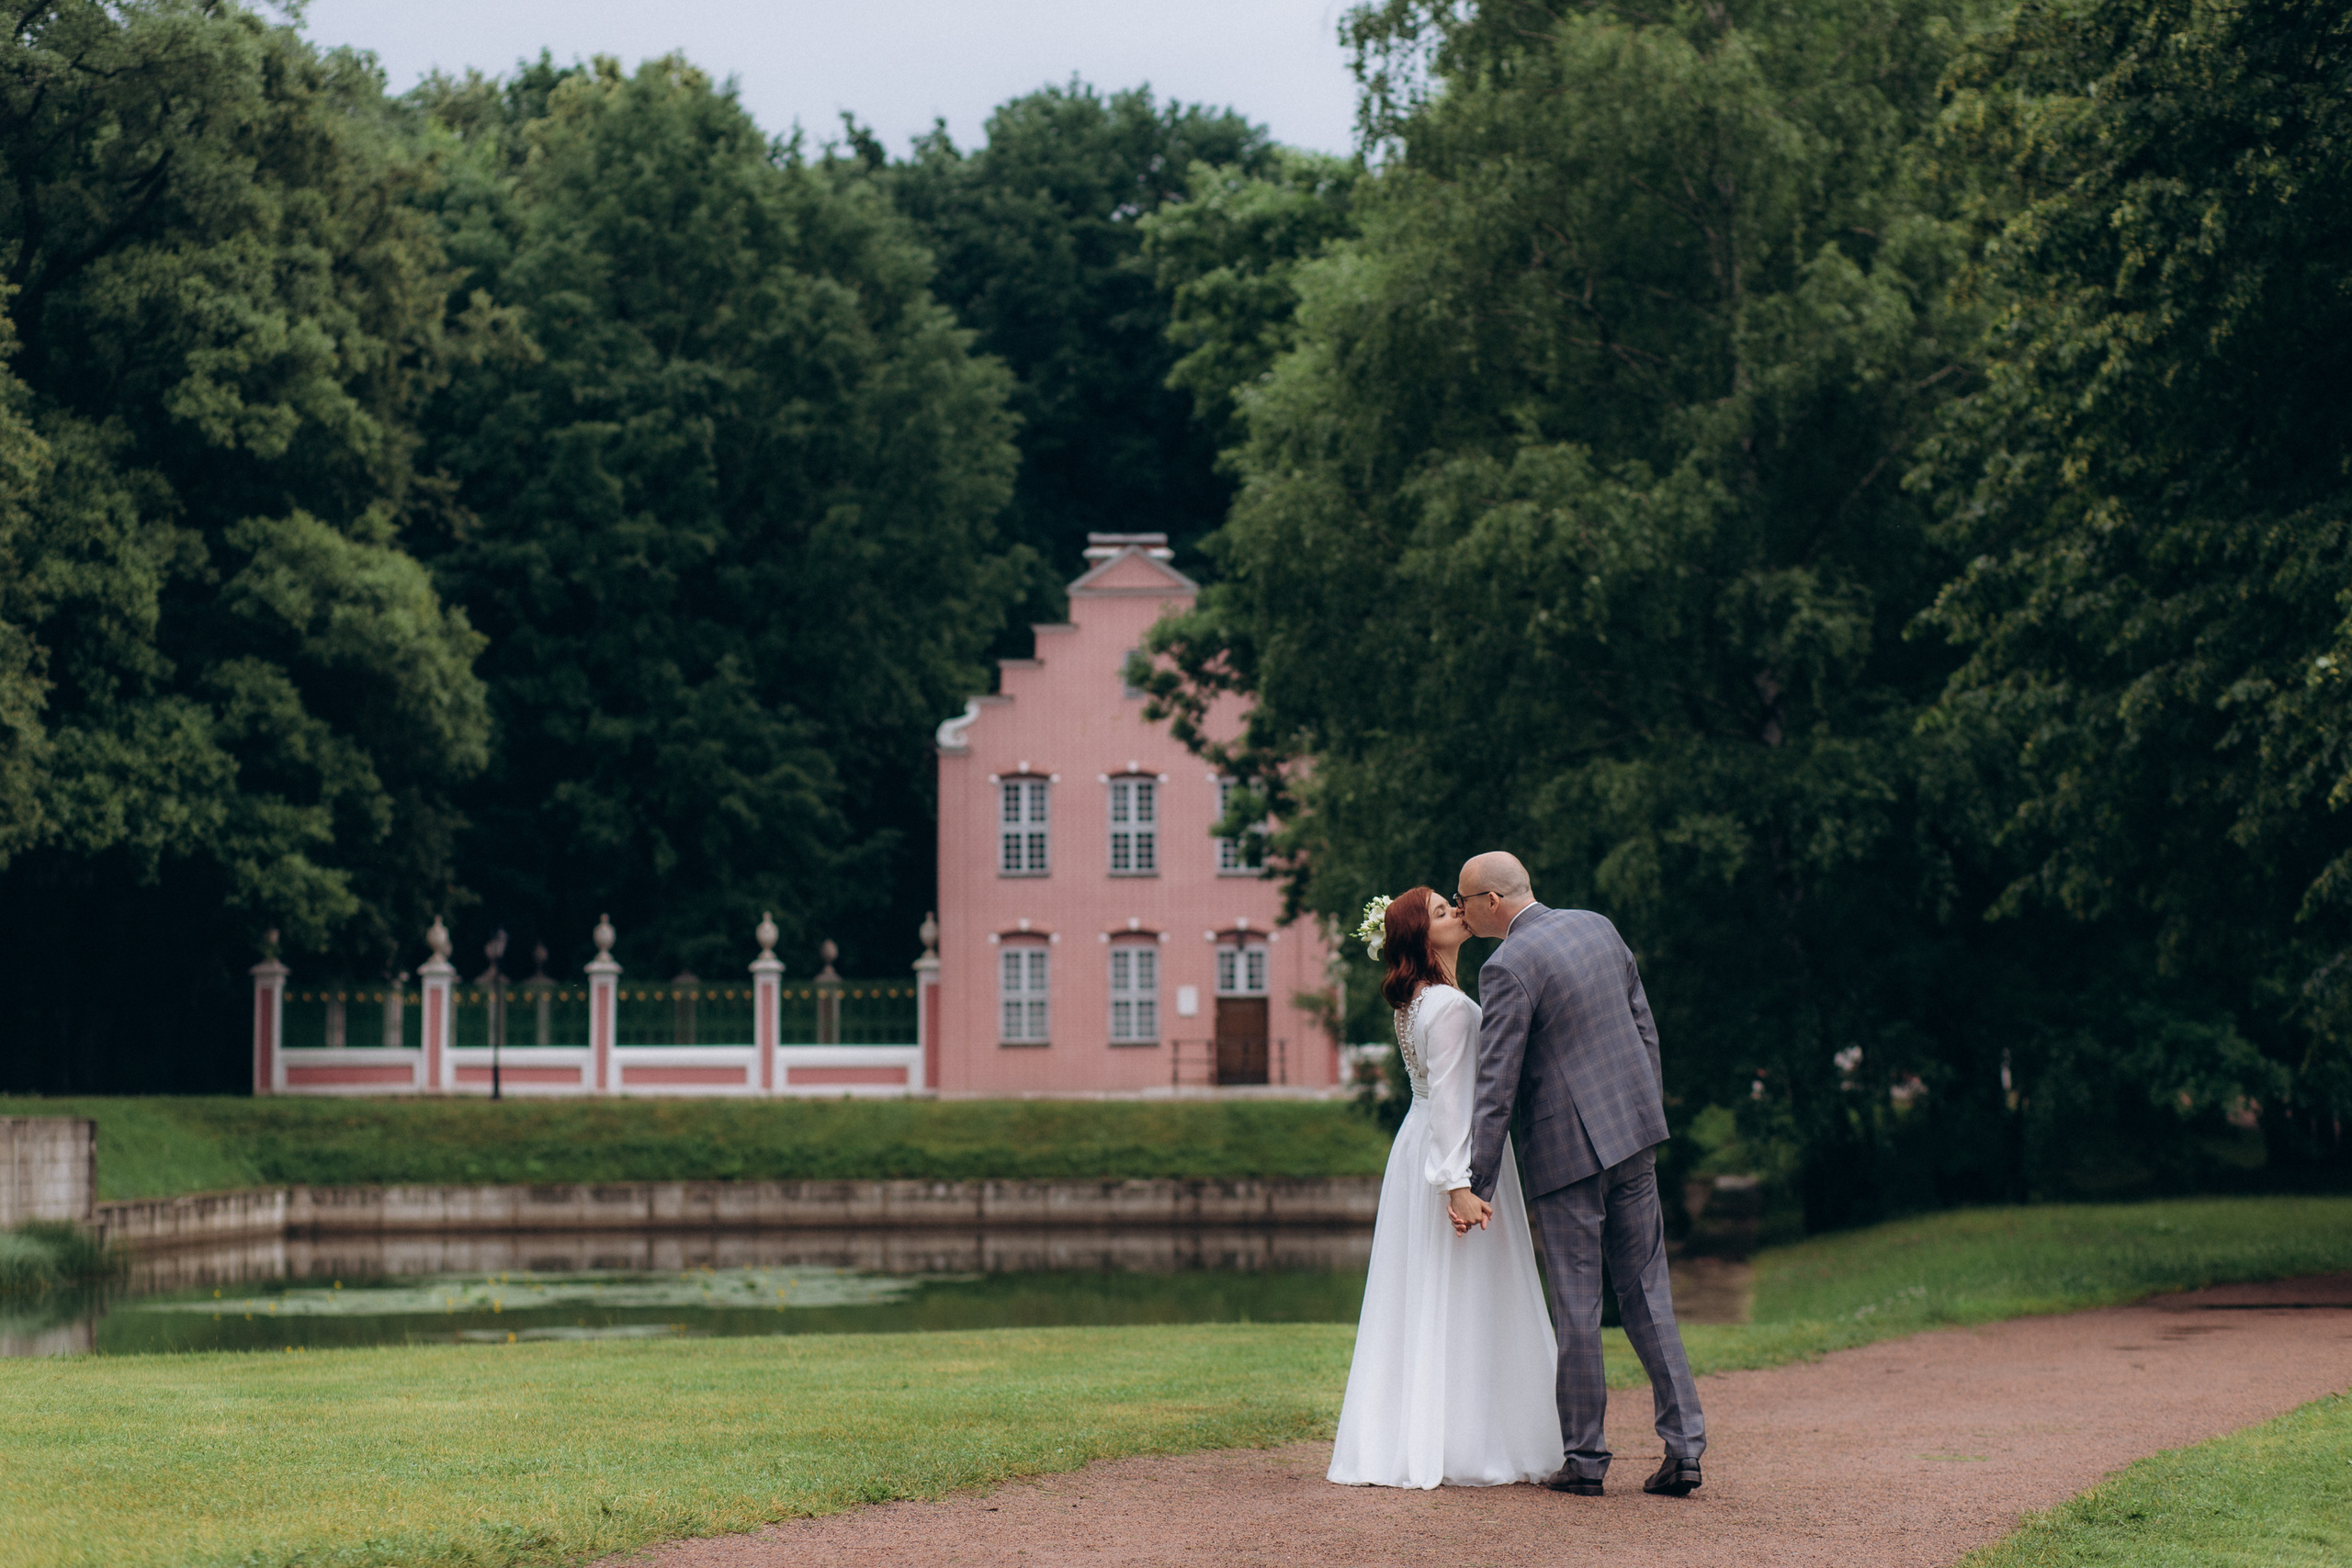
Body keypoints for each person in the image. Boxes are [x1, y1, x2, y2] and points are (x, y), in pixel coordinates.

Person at [1454, 850, 1706, 1497]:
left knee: (1578, 1300)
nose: (1460, 911)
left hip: (1565, 1153)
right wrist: (1644, 1107)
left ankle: (1587, 1459)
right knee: (1650, 1289)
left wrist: (1476, 1179)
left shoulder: (1506, 963)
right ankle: (1685, 1448)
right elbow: (1642, 1024)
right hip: (1634, 1133)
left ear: (1491, 902)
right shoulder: (1598, 925)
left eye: (1465, 900)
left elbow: (1497, 1082)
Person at [1328, 886, 1561, 1489]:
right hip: (1449, 1153)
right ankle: (1470, 1441)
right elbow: (1455, 1102)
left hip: (1417, 1146)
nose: (1455, 911)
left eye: (1449, 903)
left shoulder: (1415, 1002)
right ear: (1421, 938)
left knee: (1425, 1290)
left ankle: (1422, 1432)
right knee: (1470, 1288)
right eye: (1439, 911)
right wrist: (1458, 1184)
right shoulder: (1450, 1007)